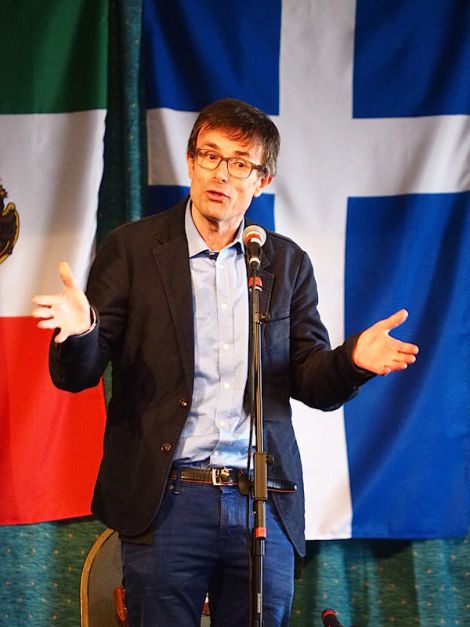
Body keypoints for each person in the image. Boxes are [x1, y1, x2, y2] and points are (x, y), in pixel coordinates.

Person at [32, 98, 418, 626]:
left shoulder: (283, 263)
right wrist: (82, 331)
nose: (222, 173)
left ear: (262, 180)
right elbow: (76, 376)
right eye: (210, 156)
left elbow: (310, 381)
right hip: (167, 500)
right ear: (190, 163)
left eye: (240, 163)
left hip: (262, 501)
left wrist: (352, 361)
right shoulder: (133, 250)